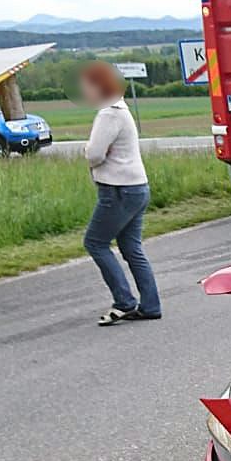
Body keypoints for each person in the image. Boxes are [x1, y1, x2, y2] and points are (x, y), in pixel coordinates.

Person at [80, 60, 159, 326]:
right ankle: (150, 304)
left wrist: (87, 152)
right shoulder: (121, 109)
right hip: (136, 187)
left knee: (95, 242)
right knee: (131, 246)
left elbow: (94, 154)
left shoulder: (108, 114)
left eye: (86, 87)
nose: (84, 93)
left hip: (118, 189)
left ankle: (123, 301)